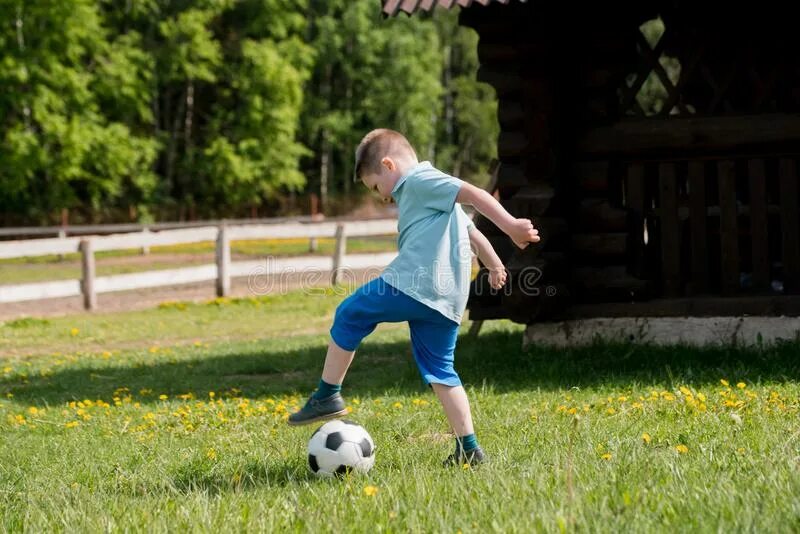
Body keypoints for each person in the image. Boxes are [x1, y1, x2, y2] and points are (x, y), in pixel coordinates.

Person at [288, 128, 540, 466]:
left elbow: (475, 194)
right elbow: (470, 231)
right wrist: (494, 264)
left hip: (415, 285)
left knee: (349, 313)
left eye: (376, 187)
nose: (381, 197)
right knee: (441, 371)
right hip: (445, 301)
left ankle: (327, 394)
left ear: (389, 165)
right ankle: (469, 449)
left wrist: (510, 226)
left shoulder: (419, 182)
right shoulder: (433, 194)